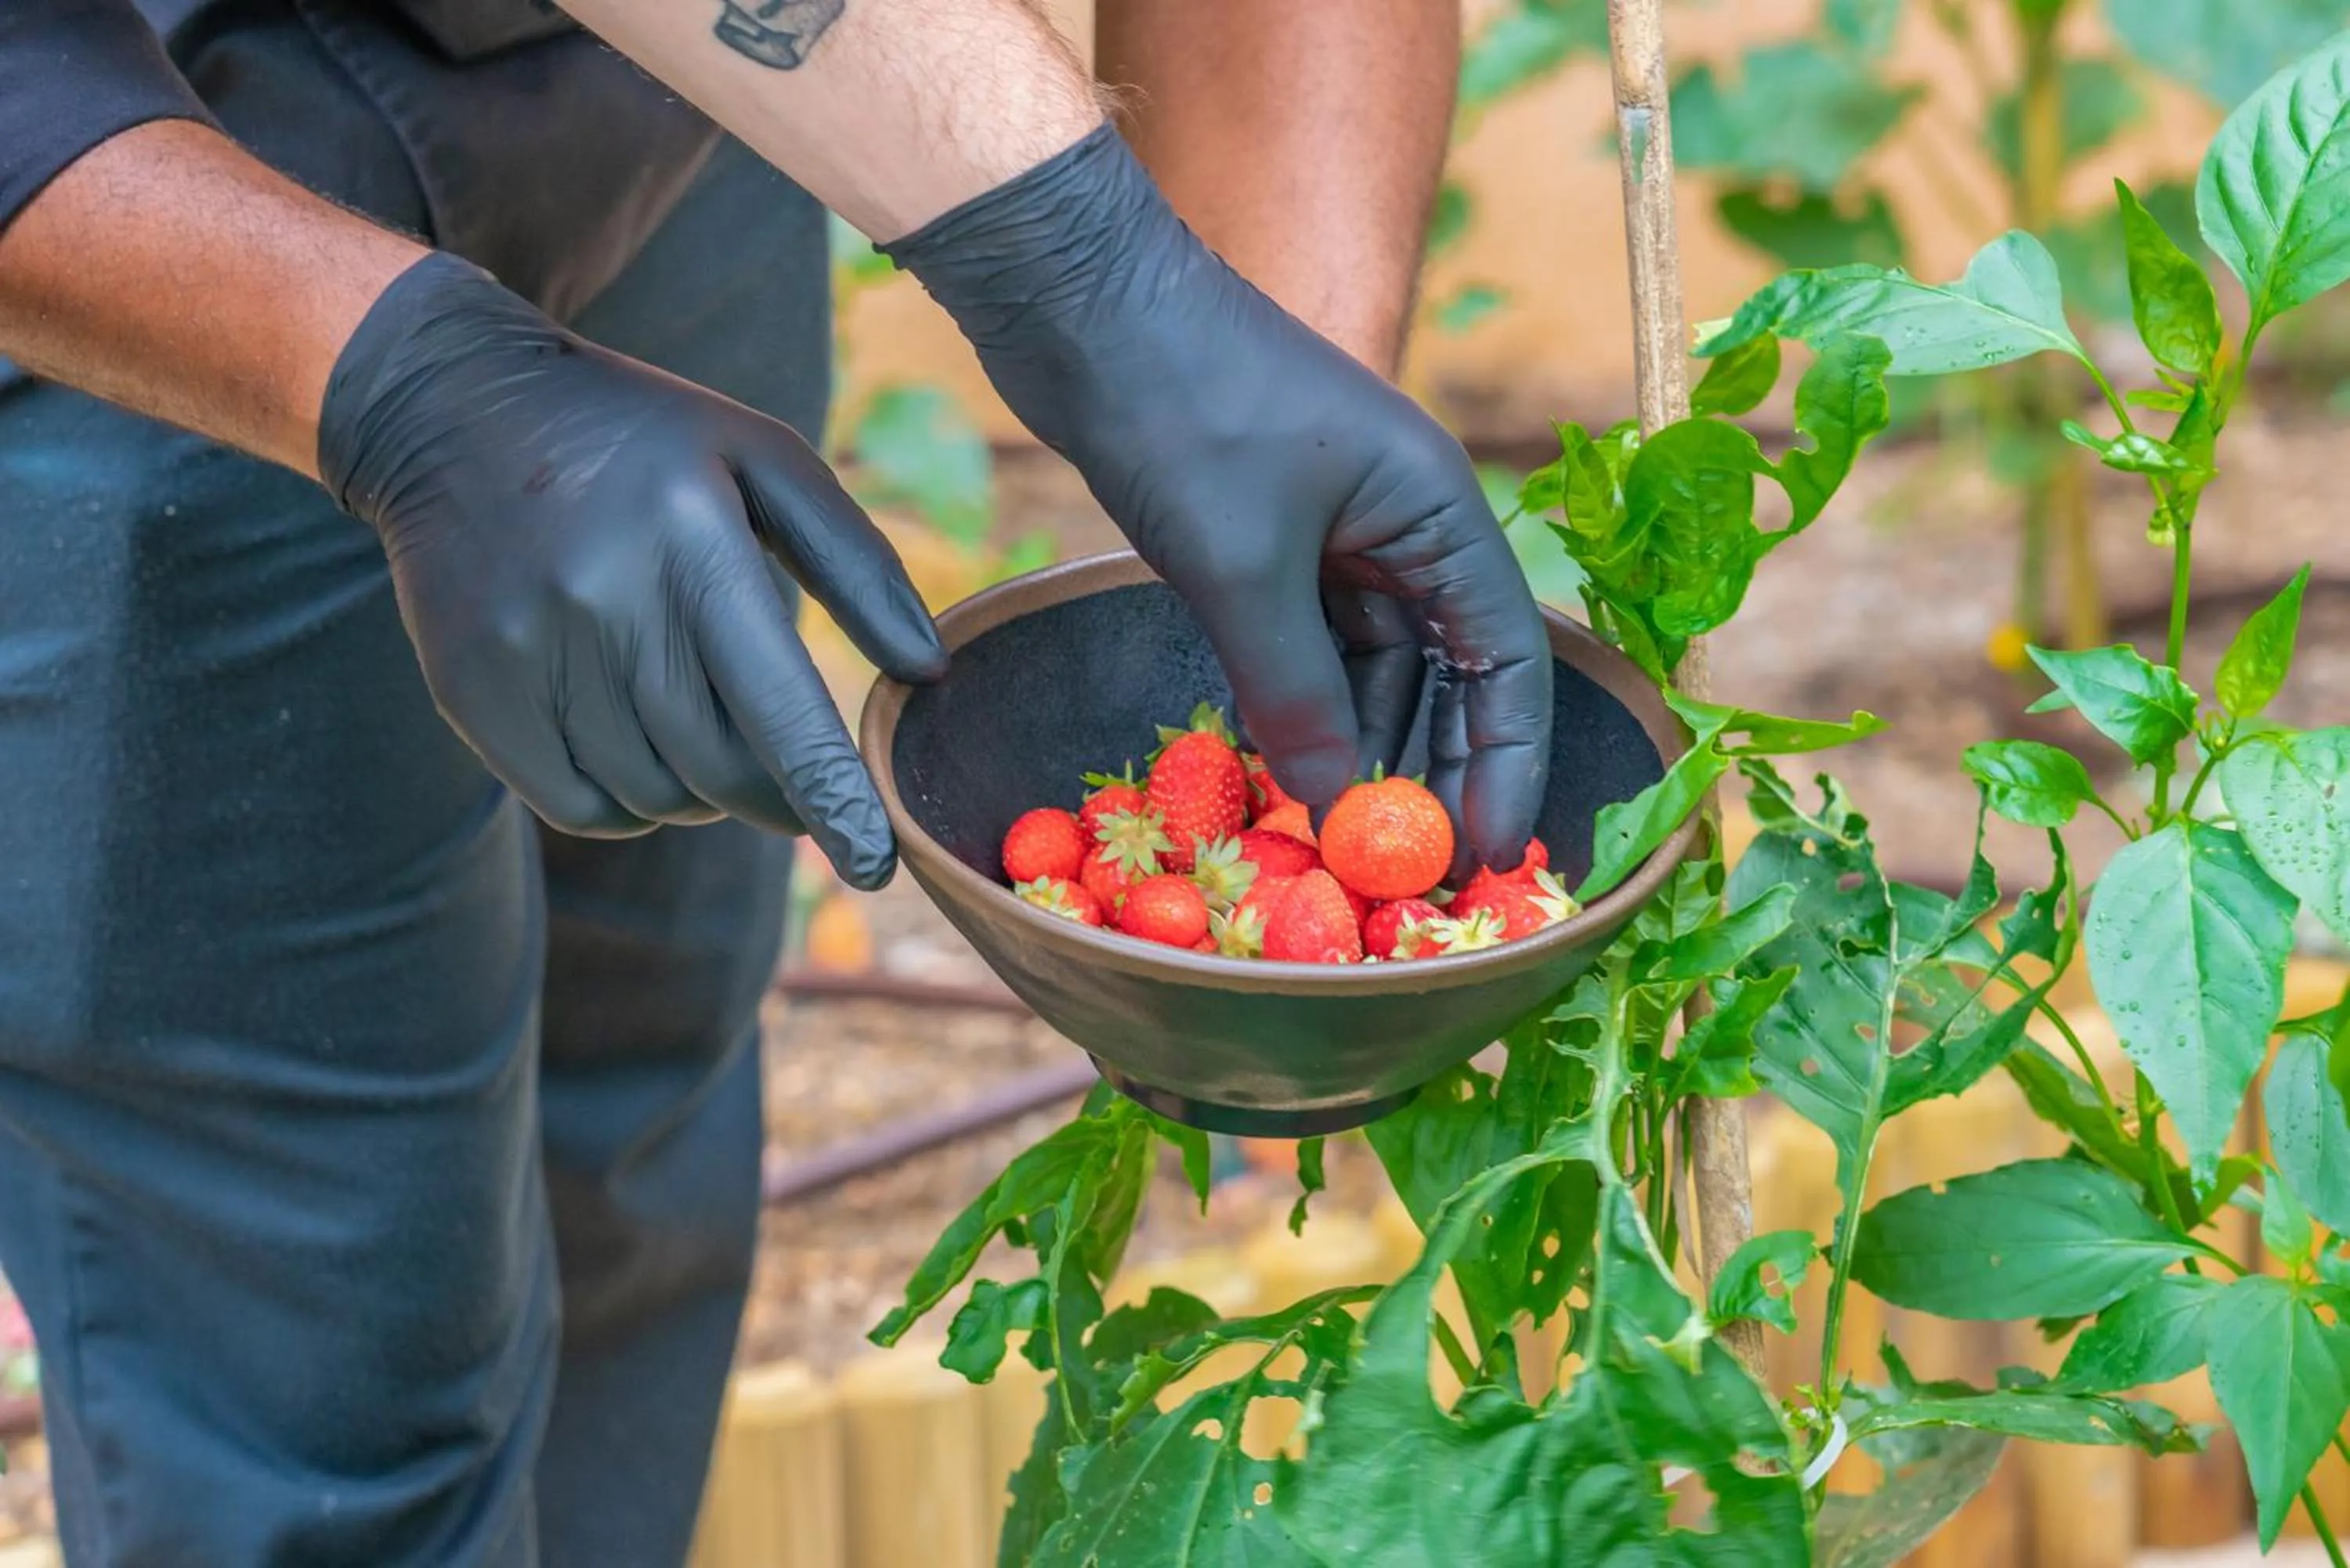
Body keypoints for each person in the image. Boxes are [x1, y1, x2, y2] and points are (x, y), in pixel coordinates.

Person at [0, 1, 1554, 1563]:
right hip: (123, 143)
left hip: (677, 96)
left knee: (636, 1090)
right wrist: (397, 385)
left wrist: (1245, 393)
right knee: (328, 1371)